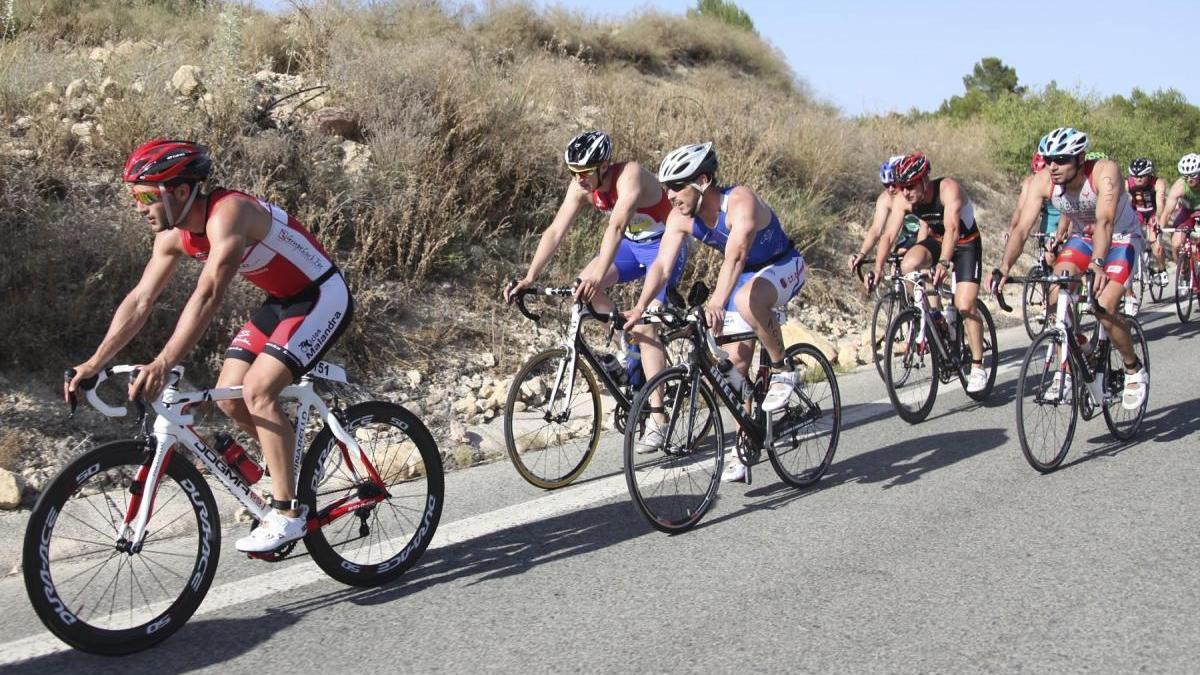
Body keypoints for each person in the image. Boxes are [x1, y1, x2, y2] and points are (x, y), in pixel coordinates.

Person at [65, 139, 354, 552]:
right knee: (231, 398)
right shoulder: (173, 236)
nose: (139, 206)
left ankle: (289, 511)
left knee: (258, 390)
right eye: (135, 196)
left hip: (322, 295)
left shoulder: (229, 214)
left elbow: (208, 294)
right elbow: (140, 300)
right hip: (283, 302)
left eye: (147, 195)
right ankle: (287, 474)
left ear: (181, 191)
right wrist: (94, 363)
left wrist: (165, 362)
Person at [623, 141, 806, 483]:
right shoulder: (679, 217)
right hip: (743, 278)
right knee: (734, 363)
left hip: (781, 264)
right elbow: (661, 266)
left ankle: (783, 369)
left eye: (677, 186)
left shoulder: (740, 202)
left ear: (703, 181)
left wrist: (717, 302)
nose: (670, 194)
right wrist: (640, 307)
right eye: (666, 187)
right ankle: (745, 441)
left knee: (747, 299)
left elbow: (736, 256)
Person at [503, 130, 687, 453]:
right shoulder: (582, 186)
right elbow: (556, 230)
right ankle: (625, 346)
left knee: (645, 324)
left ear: (603, 167)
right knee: (582, 287)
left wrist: (600, 274)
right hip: (632, 247)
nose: (579, 180)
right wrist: (530, 277)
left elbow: (615, 228)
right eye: (573, 173)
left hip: (665, 245)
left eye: (585, 172)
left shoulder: (628, 177)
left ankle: (659, 419)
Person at [996, 127, 1147, 410]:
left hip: (1120, 237)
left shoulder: (1104, 171)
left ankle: (1132, 367)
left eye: (1061, 159)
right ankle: (1074, 346)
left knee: (1103, 305)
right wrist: (1004, 267)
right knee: (1057, 289)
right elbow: (1021, 228)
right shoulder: (1043, 182)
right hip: (1083, 239)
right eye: (1049, 159)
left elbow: (1104, 221)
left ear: (1080, 158)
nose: (1053, 166)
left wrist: (1098, 264)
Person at [871, 152, 989, 393]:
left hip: (965, 243)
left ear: (925, 180)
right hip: (937, 240)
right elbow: (888, 235)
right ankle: (932, 315)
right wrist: (876, 268)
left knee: (965, 305)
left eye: (910, 186)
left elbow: (953, 228)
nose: (905, 192)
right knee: (908, 264)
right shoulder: (905, 200)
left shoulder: (948, 189)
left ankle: (977, 365)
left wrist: (944, 264)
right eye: (901, 187)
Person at [848, 156, 923, 274]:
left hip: (921, 229)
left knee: (906, 257)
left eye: (894, 184)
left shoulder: (911, 197)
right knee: (896, 266)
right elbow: (876, 229)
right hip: (907, 233)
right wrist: (862, 253)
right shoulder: (884, 199)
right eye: (886, 185)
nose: (891, 189)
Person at [1010, 152, 1065, 270]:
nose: (1039, 178)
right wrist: (1011, 230)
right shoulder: (1029, 183)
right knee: (1047, 259)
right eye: (1035, 174)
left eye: (1042, 174)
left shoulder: (1061, 179)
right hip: (1049, 218)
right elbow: (1020, 209)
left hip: (1064, 216)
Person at [1126, 158, 1168, 286]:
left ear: (1149, 174)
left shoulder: (1157, 183)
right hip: (1137, 212)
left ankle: (1162, 270)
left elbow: (1160, 203)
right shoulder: (1127, 183)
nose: (1137, 179)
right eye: (1135, 176)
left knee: (1154, 242)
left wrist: (1158, 218)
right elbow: (1124, 202)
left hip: (1153, 212)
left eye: (1141, 176)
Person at [1160, 153, 1200, 272]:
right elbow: (1167, 212)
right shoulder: (1180, 185)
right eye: (1185, 176)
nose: (1189, 179)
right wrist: (1160, 229)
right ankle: (1183, 270)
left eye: (1193, 176)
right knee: (1176, 243)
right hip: (1187, 212)